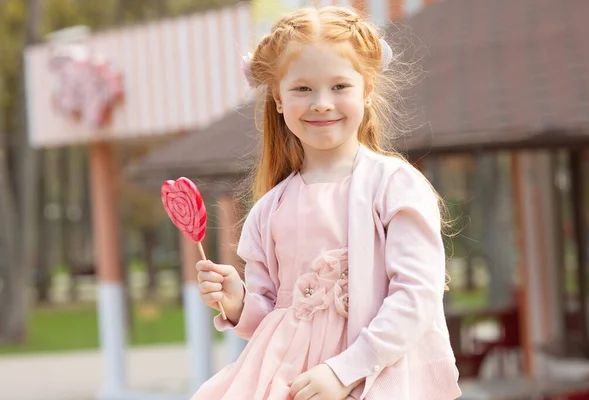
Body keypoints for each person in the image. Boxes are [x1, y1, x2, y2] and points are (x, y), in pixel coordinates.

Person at [192, 6, 461, 400]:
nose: (321, 102)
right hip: (289, 382)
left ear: (367, 90)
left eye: (339, 86)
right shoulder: (271, 208)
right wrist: (237, 303)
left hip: (372, 377)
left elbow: (415, 295)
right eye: (302, 89)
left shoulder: (393, 186)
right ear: (279, 100)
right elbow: (273, 317)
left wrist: (342, 372)